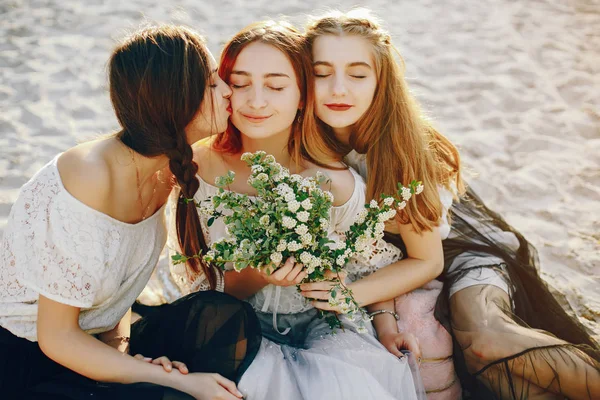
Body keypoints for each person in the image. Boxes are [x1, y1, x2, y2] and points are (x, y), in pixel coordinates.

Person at [302, 8, 600, 400]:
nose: (339, 88)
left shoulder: (402, 148)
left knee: (484, 340)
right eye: (322, 73)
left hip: (461, 252)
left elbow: (429, 259)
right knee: (496, 380)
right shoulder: (303, 140)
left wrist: (349, 295)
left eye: (357, 74)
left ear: (381, 81)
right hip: (401, 267)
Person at [0, 24, 260, 400]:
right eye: (212, 84)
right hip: (29, 359)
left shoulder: (165, 168)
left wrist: (124, 356)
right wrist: (172, 380)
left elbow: (117, 294)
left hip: (96, 347)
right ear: (176, 98)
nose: (227, 92)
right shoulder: (90, 177)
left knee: (223, 318)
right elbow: (56, 337)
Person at [171, 20, 426, 400]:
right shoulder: (198, 167)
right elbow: (198, 288)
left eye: (276, 86)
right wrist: (258, 274)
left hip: (324, 327)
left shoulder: (335, 183)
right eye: (240, 83)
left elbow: (368, 266)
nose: (256, 101)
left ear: (304, 95)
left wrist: (385, 322)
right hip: (235, 324)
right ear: (223, 88)